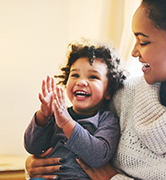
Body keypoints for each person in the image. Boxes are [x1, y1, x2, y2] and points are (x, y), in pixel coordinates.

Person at [25, 0, 166, 179]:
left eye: (143, 41)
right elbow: (63, 140)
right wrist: (36, 162)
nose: (134, 52)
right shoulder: (122, 94)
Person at [24, 41, 126, 180]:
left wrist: (67, 123)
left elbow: (98, 156)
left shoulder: (107, 120)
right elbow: (32, 147)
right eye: (75, 75)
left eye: (93, 77)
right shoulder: (57, 115)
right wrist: (43, 116)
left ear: (108, 91)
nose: (81, 82)